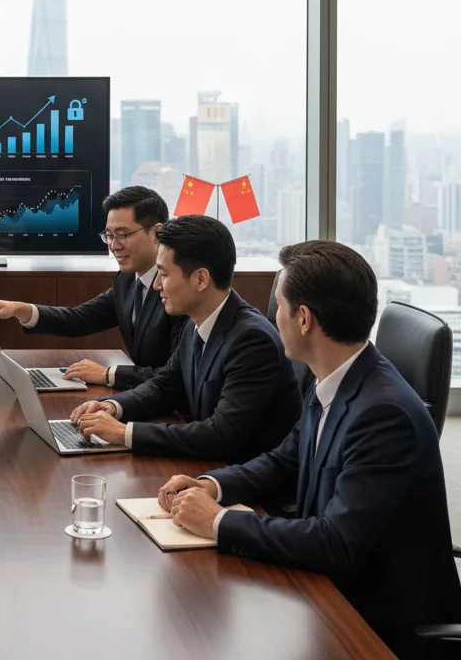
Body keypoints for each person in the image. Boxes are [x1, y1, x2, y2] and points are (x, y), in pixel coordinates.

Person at [158, 241, 461, 659]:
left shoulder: (384, 414)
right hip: (325, 592)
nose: (272, 316)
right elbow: (285, 458)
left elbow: (336, 543)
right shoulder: (336, 377)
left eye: (278, 305)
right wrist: (213, 485)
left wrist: (218, 522)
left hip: (377, 627)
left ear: (304, 319)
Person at [70, 215, 301, 463]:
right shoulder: (195, 323)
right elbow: (165, 386)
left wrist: (125, 433)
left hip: (246, 485)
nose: (157, 285)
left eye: (164, 275)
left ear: (201, 279)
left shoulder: (252, 341)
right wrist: (114, 407)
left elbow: (221, 435)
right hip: (206, 467)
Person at [0, 187, 186, 389]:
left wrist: (109, 374)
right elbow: (79, 319)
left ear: (157, 233)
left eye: (123, 235)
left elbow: (177, 375)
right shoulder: (127, 281)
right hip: (144, 396)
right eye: (109, 235)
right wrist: (19, 309)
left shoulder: (179, 290)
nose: (114, 245)